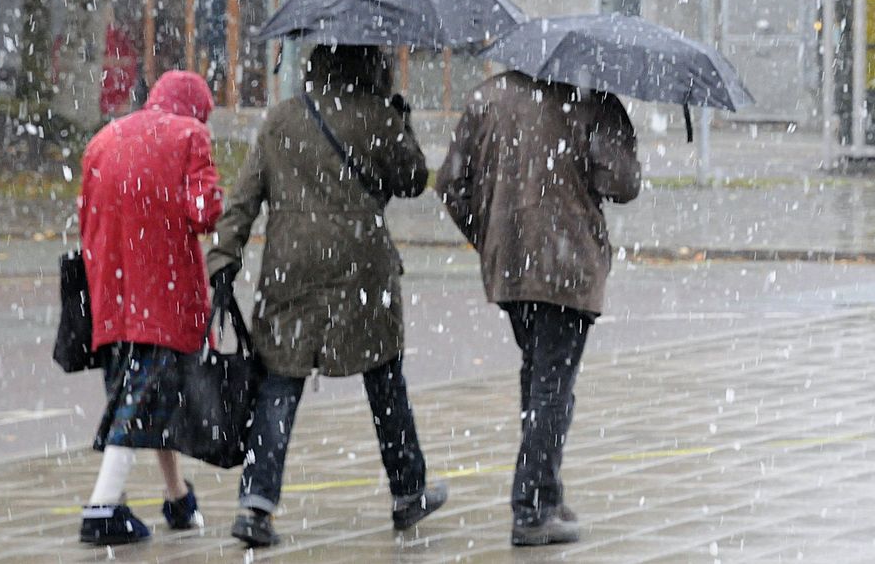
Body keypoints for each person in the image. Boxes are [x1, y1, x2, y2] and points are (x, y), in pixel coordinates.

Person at [207, 44, 447, 548]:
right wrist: (400, 121)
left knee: (279, 382)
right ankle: (408, 491)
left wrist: (224, 257)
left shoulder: (282, 119)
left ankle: (256, 503)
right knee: (384, 378)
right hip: (362, 267)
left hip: (291, 266)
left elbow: (245, 196)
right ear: (371, 66)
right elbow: (412, 181)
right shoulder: (376, 116)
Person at [435, 71, 641, 546]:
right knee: (552, 386)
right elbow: (623, 182)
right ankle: (531, 507)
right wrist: (614, 129)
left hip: (512, 263)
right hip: (567, 262)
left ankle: (545, 491)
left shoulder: (489, 95)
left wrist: (489, 235)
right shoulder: (589, 99)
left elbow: (450, 182)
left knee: (539, 378)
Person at [77, 70, 222, 545]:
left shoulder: (104, 139)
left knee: (150, 396)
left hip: (112, 290)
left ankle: (177, 496)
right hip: (163, 293)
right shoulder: (190, 136)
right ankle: (102, 508)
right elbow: (204, 213)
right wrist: (215, 195)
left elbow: (86, 217)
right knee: (137, 403)